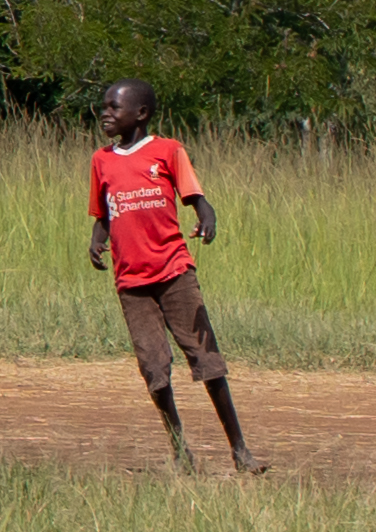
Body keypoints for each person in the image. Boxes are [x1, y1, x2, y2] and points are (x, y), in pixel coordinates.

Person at [84, 82, 254, 474]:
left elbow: (197, 198)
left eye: (114, 107)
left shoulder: (168, 151)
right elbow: (104, 213)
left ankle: (240, 450)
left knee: (207, 360)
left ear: (141, 113)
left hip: (174, 271)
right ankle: (181, 450)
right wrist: (97, 242)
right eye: (103, 107)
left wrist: (207, 218)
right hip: (131, 282)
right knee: (154, 369)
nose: (105, 114)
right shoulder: (101, 161)